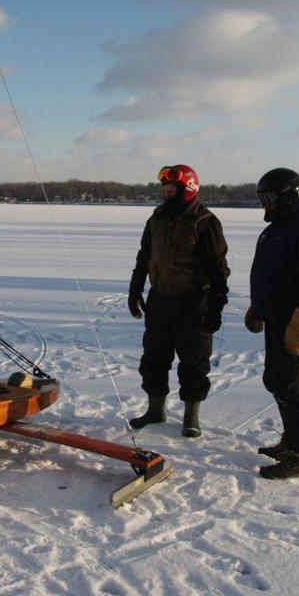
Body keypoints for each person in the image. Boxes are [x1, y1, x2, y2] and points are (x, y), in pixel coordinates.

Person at [127, 164, 230, 438]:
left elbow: (219, 269)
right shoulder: (157, 218)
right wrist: (135, 289)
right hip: (159, 300)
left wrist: (215, 307)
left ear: (188, 190)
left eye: (172, 189)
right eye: (165, 189)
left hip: (193, 302)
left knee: (194, 362)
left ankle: (191, 417)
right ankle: (155, 410)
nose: (166, 193)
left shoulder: (205, 222)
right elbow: (144, 256)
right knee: (154, 358)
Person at [246, 167, 299, 479]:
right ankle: (290, 440)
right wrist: (258, 308)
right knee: (275, 380)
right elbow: (270, 274)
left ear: (287, 195)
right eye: (261, 197)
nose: (263, 204)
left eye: (268, 197)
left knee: (291, 386)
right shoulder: (280, 225)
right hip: (278, 317)